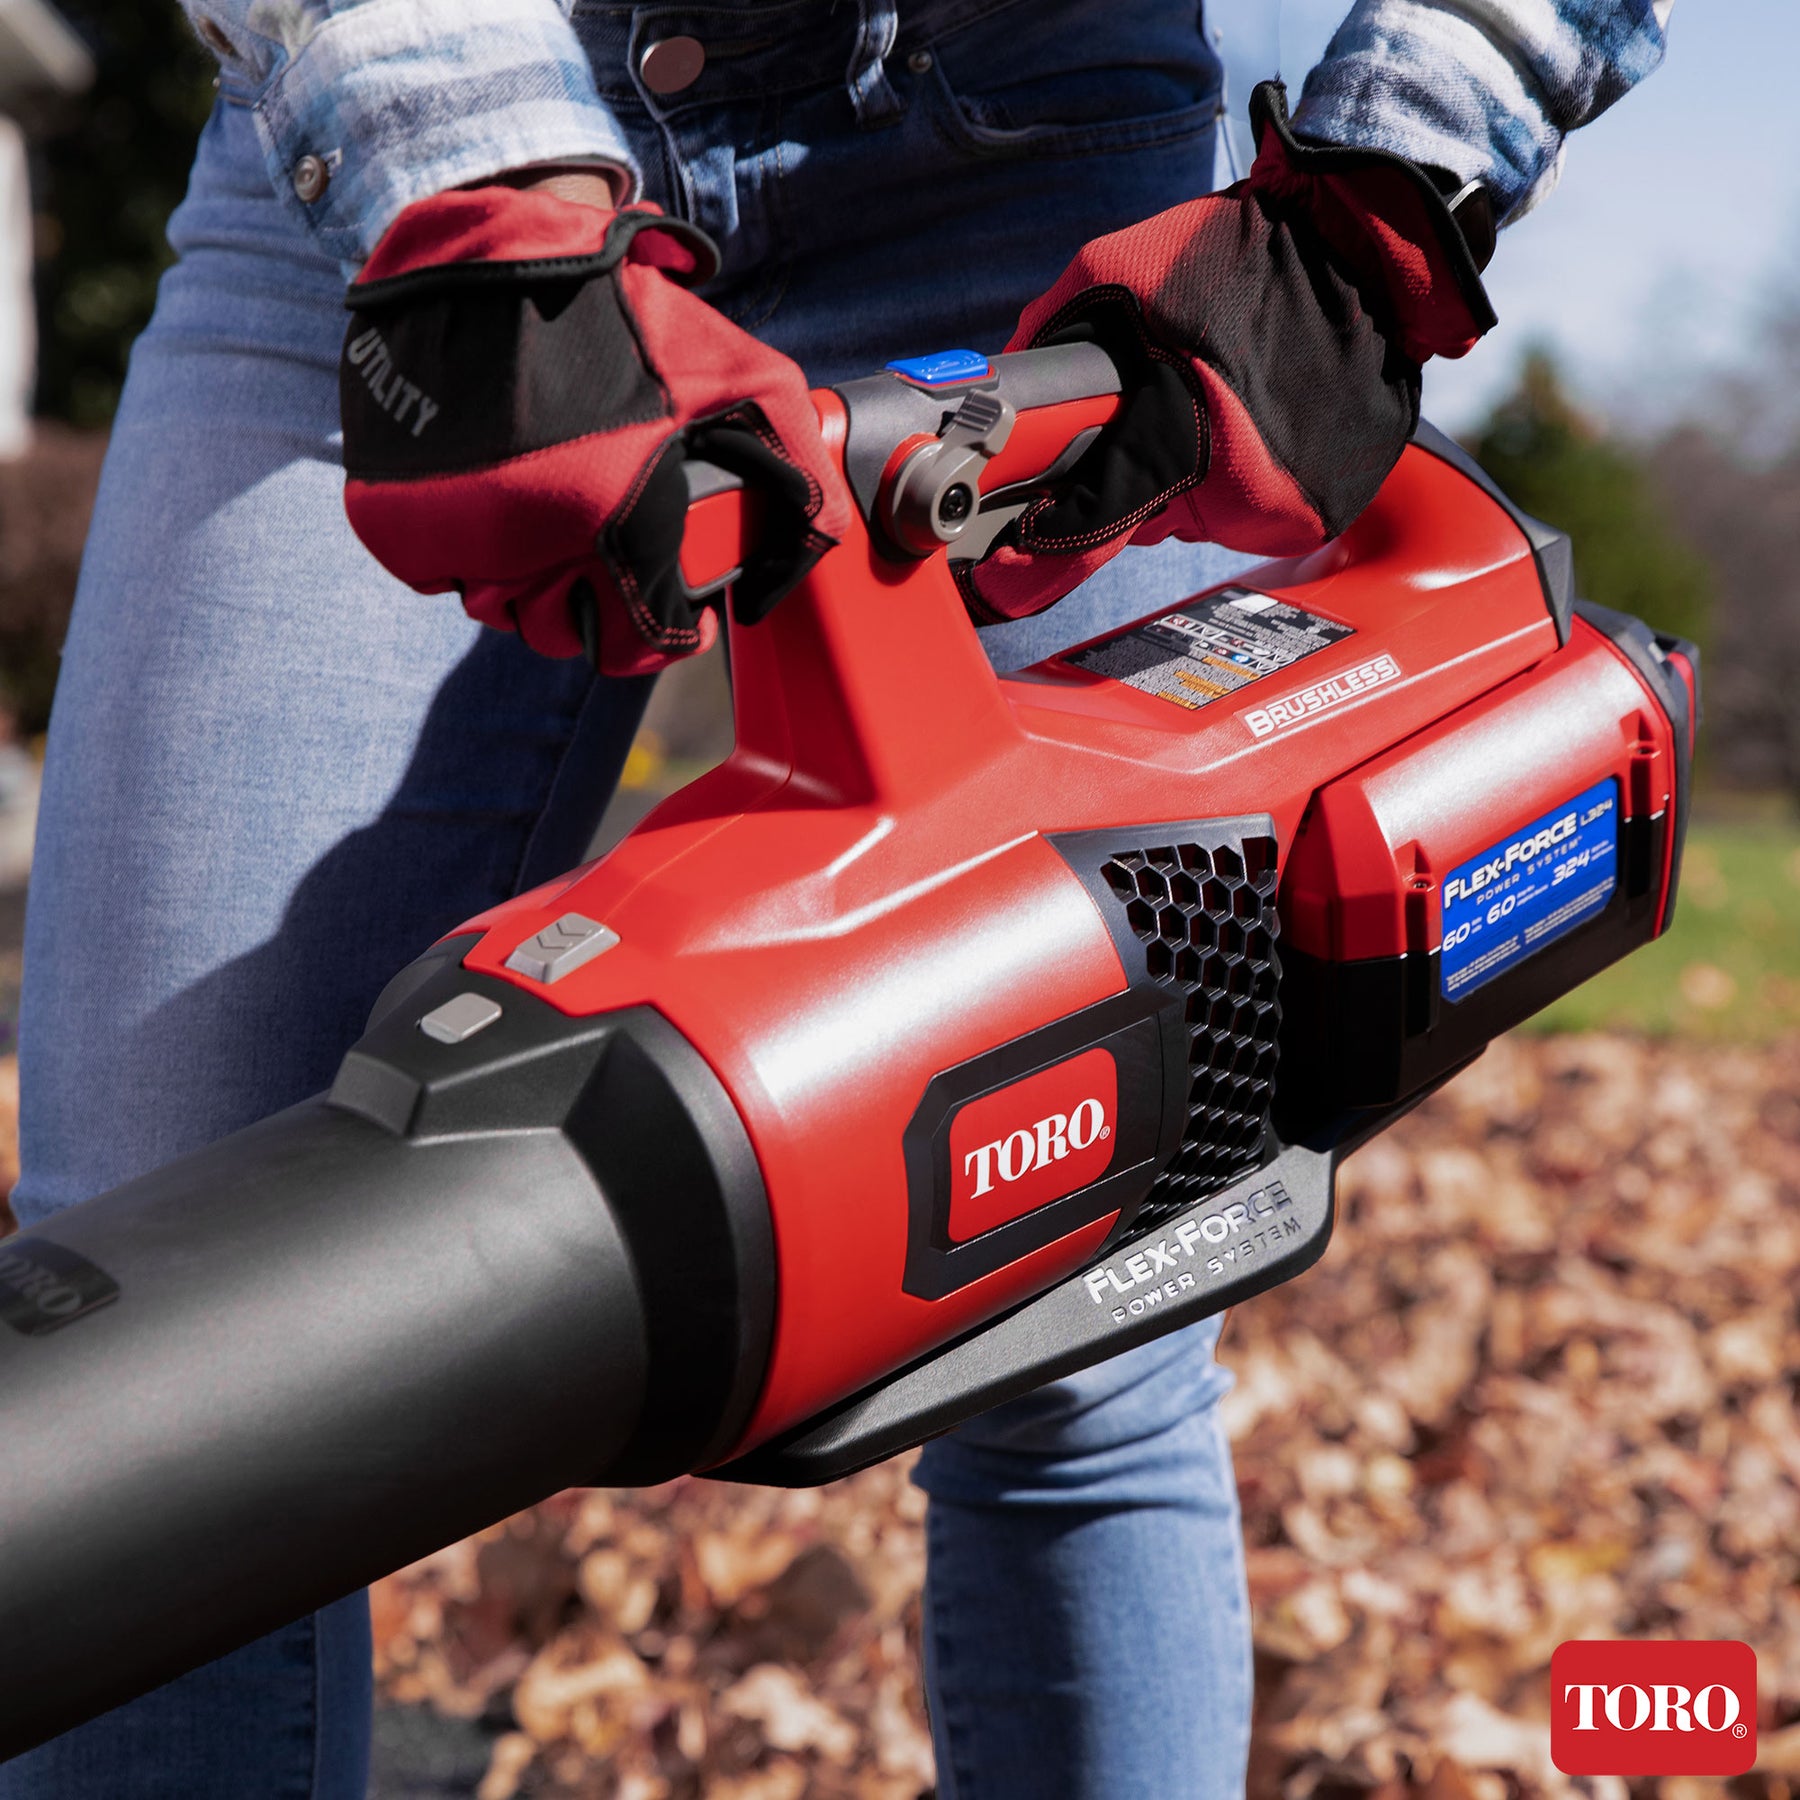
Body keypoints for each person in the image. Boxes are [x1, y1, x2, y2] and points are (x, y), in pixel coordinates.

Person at [3, 1, 1671, 1794]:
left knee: (1090, 1314)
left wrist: (1376, 199)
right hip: (407, 152)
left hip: (1023, 156)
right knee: (163, 1306)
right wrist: (469, 188)